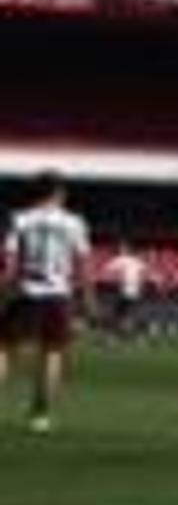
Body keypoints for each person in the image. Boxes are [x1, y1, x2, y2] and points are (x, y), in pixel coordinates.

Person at [6, 172, 94, 432]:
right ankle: (40, 416)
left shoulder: (20, 218)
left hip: (26, 290)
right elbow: (82, 264)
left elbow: (9, 259)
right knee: (52, 353)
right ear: (57, 193)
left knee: (5, 349)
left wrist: (7, 288)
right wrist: (88, 297)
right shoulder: (75, 222)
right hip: (59, 293)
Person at [95, 238, 146, 342]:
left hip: (125, 291)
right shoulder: (136, 260)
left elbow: (105, 270)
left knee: (118, 314)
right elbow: (144, 273)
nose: (119, 249)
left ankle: (112, 337)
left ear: (125, 249)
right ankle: (134, 337)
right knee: (128, 314)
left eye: (121, 247)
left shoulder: (120, 260)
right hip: (135, 291)